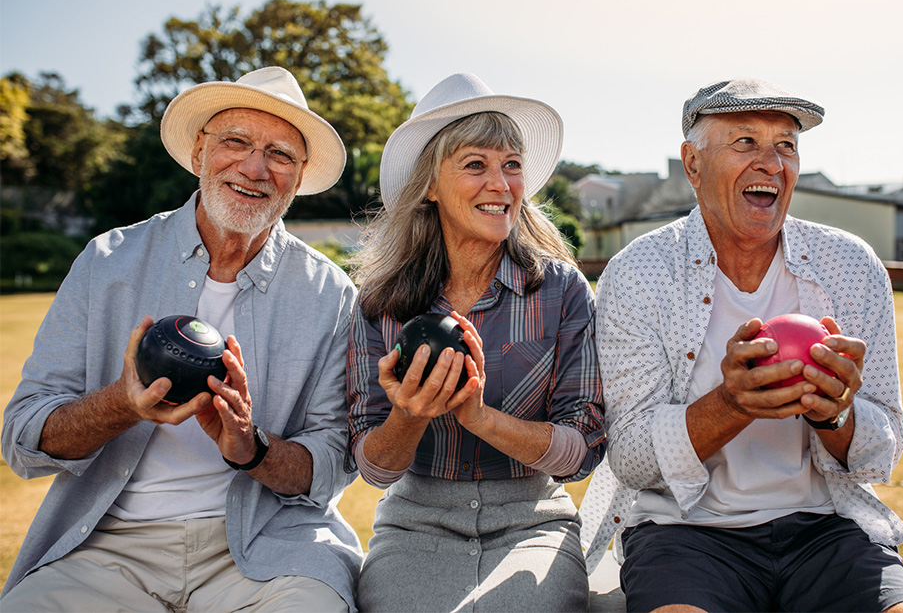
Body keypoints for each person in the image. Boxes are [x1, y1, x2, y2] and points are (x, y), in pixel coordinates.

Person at [1, 67, 362, 612]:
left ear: (299, 175)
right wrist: (119, 405)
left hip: (269, 546)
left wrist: (250, 446)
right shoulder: (106, 262)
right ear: (198, 153)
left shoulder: (330, 294)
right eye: (235, 142)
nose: (254, 167)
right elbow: (24, 441)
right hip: (107, 547)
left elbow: (333, 461)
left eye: (280, 154)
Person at [578, 78, 903, 612]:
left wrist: (834, 415)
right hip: (687, 536)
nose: (771, 163)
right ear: (693, 163)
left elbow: (880, 452)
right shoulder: (639, 273)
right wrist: (731, 404)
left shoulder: (851, 265)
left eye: (786, 145)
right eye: (745, 142)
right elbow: (630, 458)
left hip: (827, 530)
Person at [347, 73, 606, 612]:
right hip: (416, 521)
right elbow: (373, 467)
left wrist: (480, 418)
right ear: (430, 185)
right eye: (475, 164)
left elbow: (582, 450)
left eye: (512, 164)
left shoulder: (560, 291)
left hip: (532, 520)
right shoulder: (379, 303)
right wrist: (410, 415)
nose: (501, 183)